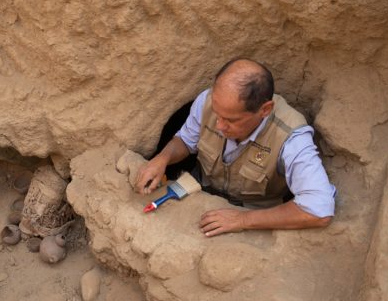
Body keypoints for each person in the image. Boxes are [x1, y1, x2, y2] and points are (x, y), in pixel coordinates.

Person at [135, 58, 336, 237]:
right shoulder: (207, 101)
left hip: (252, 213)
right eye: (216, 113)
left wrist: (242, 220)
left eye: (231, 120)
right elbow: (186, 142)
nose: (219, 126)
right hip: (198, 190)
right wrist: (162, 159)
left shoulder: (291, 137)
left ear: (264, 110)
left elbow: (319, 209)